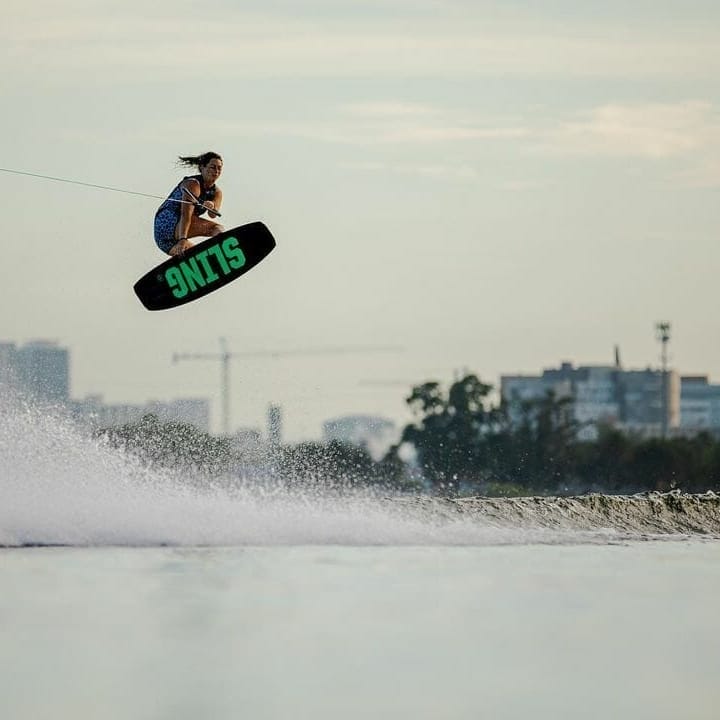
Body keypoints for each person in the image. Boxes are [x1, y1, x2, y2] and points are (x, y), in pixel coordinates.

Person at [154, 152, 225, 256]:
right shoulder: (193, 184)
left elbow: (213, 215)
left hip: (163, 239)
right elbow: (185, 214)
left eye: (219, 168)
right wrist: (182, 239)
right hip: (169, 222)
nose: (216, 171)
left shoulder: (217, 192)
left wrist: (212, 205)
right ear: (202, 168)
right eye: (212, 167)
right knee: (217, 229)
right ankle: (224, 252)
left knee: (197, 256)